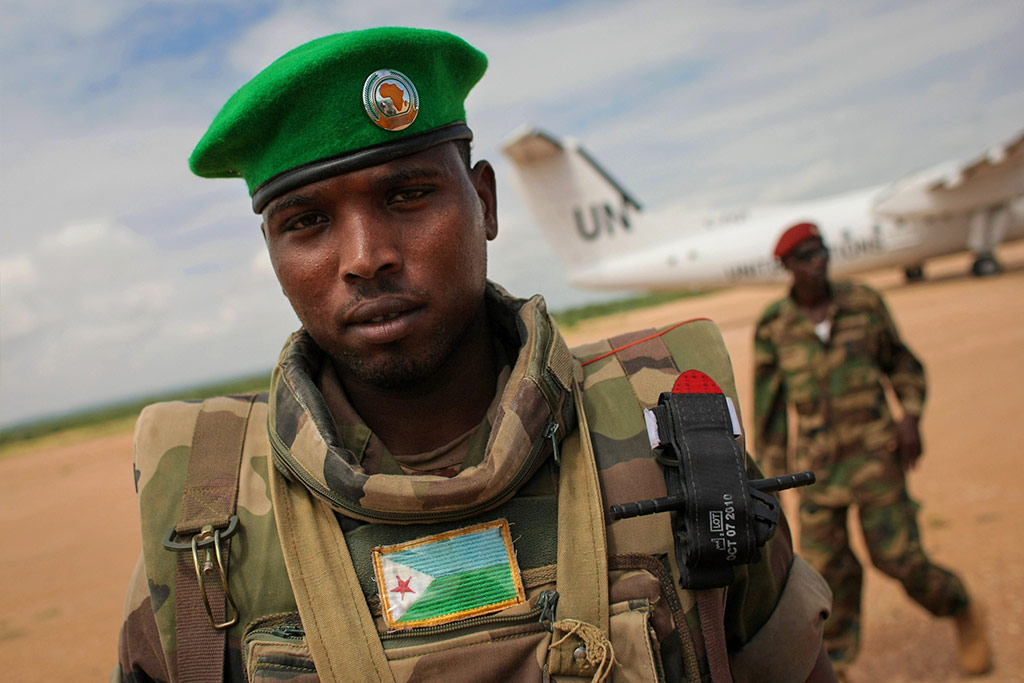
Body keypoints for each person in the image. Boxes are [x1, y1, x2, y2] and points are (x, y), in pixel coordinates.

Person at [115, 28, 835, 683]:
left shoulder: (667, 429)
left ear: (485, 202)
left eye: (408, 194)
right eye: (307, 222)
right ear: (273, 254)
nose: (366, 258)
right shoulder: (204, 511)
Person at [753, 222, 993, 677]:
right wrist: (773, 484)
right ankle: (836, 667)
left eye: (821, 250)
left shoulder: (863, 304)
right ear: (787, 267)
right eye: (804, 256)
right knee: (825, 577)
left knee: (900, 560)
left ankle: (961, 606)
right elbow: (771, 416)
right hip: (818, 474)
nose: (818, 261)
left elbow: (902, 364)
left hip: (876, 460)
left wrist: (910, 415)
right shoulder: (774, 327)